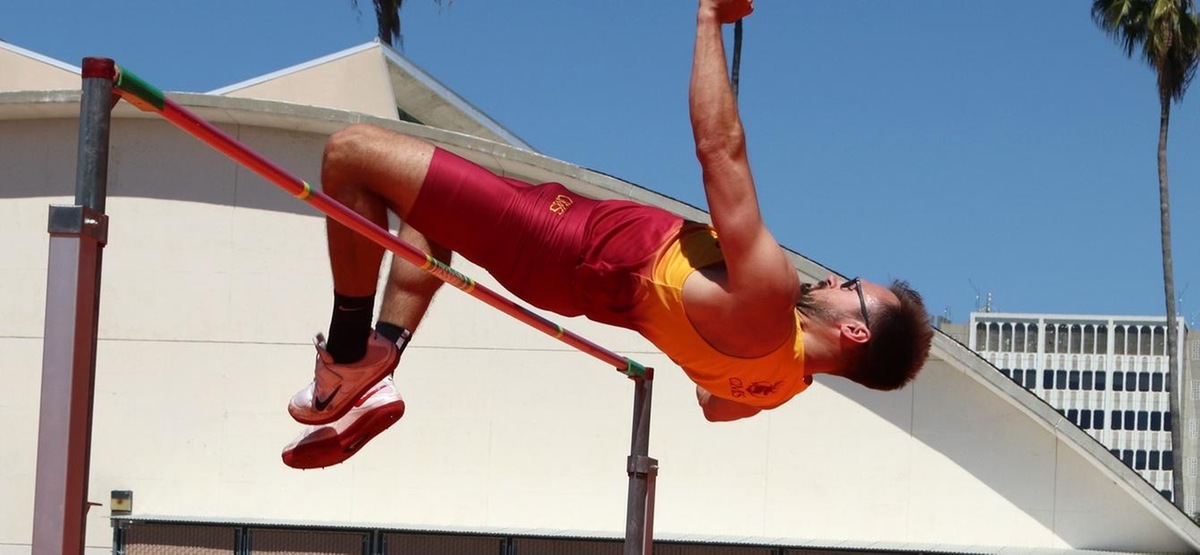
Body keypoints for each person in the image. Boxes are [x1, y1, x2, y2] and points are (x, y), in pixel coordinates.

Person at [281, 0, 934, 470]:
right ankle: (383, 353)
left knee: (351, 155)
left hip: (554, 238)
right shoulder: (777, 384)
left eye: (849, 287)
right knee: (420, 216)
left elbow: (719, 151)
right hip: (566, 269)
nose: (830, 279)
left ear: (855, 330)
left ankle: (344, 361)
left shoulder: (771, 300)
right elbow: (712, 403)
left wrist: (708, 17)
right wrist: (697, 325)